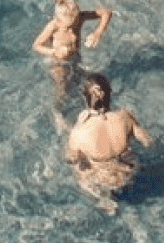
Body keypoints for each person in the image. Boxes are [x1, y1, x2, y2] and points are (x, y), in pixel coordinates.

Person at [65, 74, 154, 212]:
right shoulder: (125, 116)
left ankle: (104, 201)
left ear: (85, 98)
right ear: (110, 94)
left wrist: (79, 123)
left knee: (79, 174)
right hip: (128, 174)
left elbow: (72, 159)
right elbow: (148, 143)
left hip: (102, 181)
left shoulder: (78, 132)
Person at [33, 0, 113, 115]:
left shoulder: (79, 17)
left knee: (83, 84)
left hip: (74, 58)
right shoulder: (53, 26)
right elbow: (36, 45)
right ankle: (56, 113)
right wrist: (54, 51)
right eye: (68, 27)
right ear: (58, 20)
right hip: (58, 63)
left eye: (75, 24)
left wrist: (97, 33)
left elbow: (107, 13)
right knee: (62, 92)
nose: (72, 29)